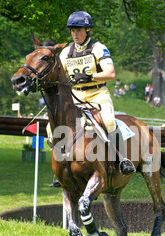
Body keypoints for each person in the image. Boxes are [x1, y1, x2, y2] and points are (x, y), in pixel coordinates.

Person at [59, 11, 135, 175]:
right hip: (75, 96)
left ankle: (122, 160)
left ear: (87, 30)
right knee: (54, 128)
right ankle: (62, 168)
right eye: (72, 30)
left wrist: (89, 76)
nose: (75, 34)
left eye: (78, 30)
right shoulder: (65, 52)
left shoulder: (99, 48)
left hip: (97, 94)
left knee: (109, 122)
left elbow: (111, 74)